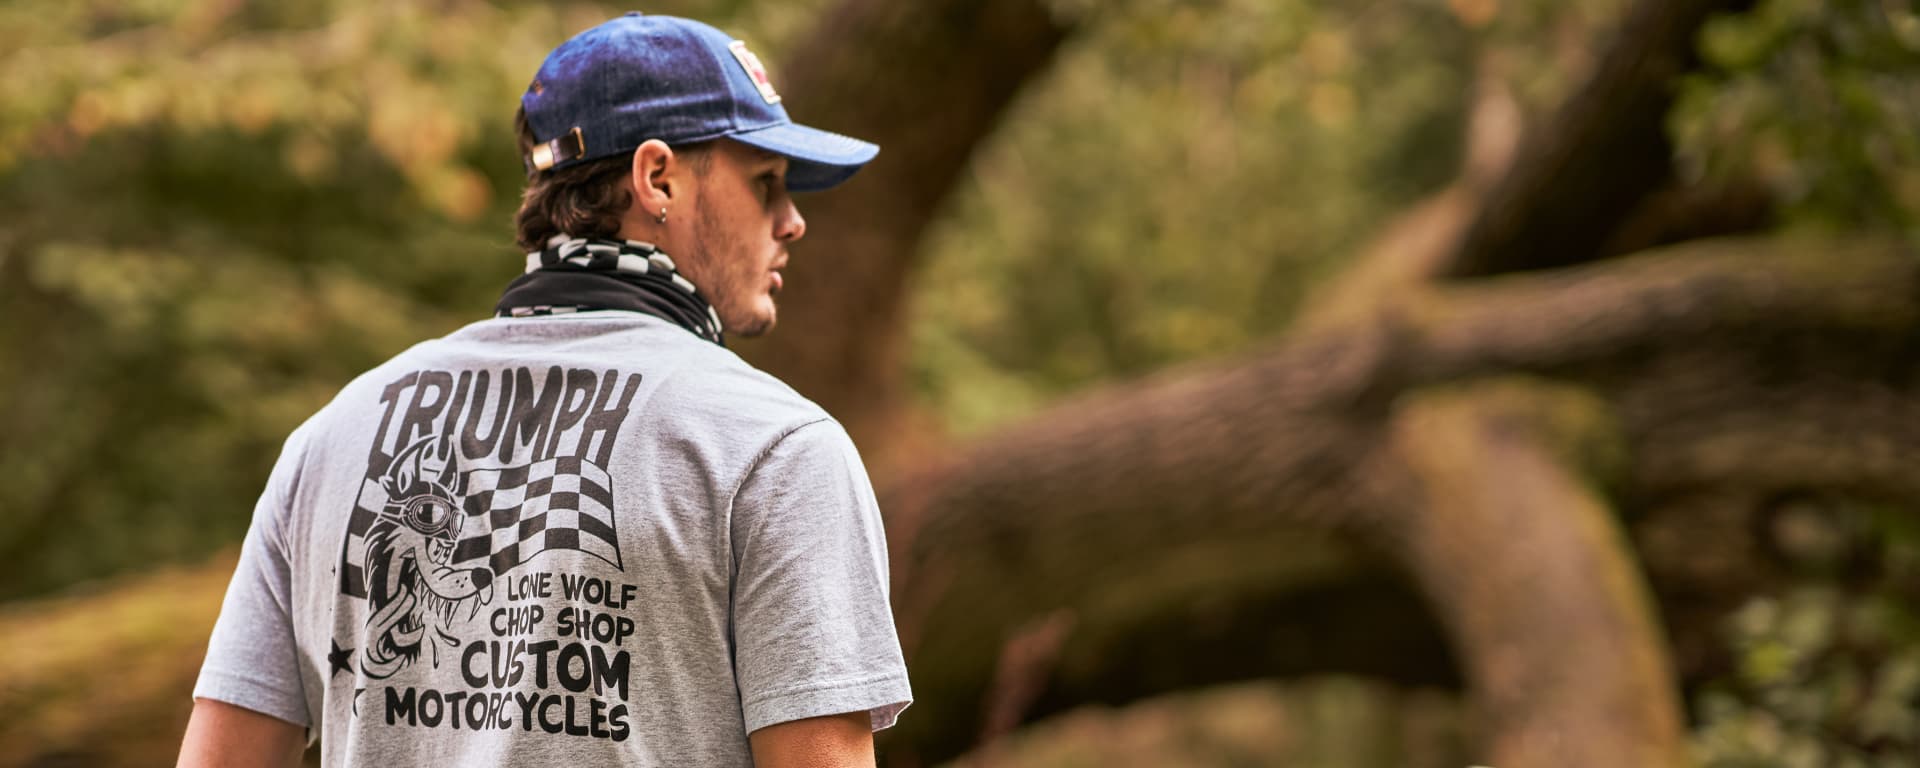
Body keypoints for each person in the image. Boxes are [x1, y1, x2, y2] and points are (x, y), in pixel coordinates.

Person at [177, 12, 911, 767]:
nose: (791, 222)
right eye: (765, 184)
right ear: (657, 178)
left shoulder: (333, 437)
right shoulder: (774, 451)